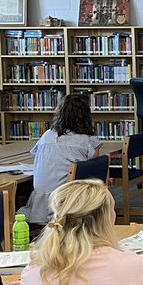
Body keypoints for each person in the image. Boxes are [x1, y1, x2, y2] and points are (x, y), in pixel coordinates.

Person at [21, 94, 101, 224]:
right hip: (69, 203)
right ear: (86, 115)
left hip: (39, 205)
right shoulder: (88, 142)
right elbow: (93, 171)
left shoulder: (46, 136)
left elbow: (37, 156)